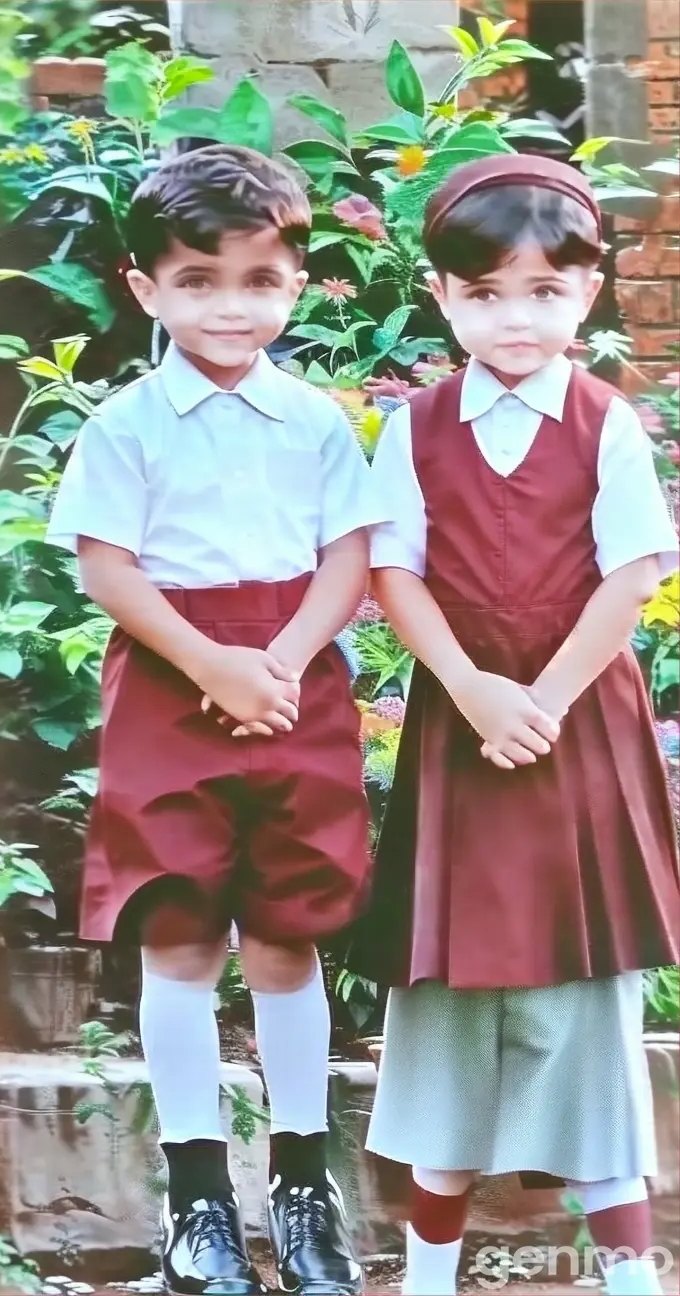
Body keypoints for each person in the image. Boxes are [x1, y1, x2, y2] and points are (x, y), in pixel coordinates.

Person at [46, 144, 381, 1296]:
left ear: (294, 282)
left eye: (256, 278)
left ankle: (303, 1195)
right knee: (179, 934)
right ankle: (198, 1205)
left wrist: (278, 661)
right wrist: (210, 665)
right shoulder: (128, 425)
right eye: (197, 279)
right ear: (147, 289)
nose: (230, 305)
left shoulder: (318, 424)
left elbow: (351, 555)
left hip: (294, 685)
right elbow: (107, 567)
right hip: (169, 685)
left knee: (288, 933)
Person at [349, 154, 680, 1296]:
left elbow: (633, 573)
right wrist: (475, 689)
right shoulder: (417, 429)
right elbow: (394, 571)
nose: (515, 318)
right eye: (484, 294)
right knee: (442, 997)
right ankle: (428, 1274)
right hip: (462, 736)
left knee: (583, 1006)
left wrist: (540, 699)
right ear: (443, 298)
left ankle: (632, 1277)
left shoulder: (607, 426)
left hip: (579, 735)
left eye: (543, 292)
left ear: (585, 292)